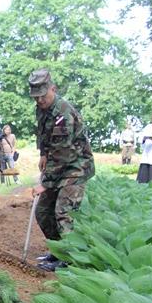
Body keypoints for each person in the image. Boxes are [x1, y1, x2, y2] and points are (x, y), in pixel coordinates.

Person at [28, 69, 95, 272]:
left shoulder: (63, 113)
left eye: (43, 96)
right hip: (58, 165)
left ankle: (70, 261)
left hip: (75, 167)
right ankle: (58, 251)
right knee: (43, 211)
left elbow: (62, 153)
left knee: (63, 213)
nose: (39, 101)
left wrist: (44, 184)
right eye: (36, 97)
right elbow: (43, 135)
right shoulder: (42, 109)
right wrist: (42, 154)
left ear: (53, 89)